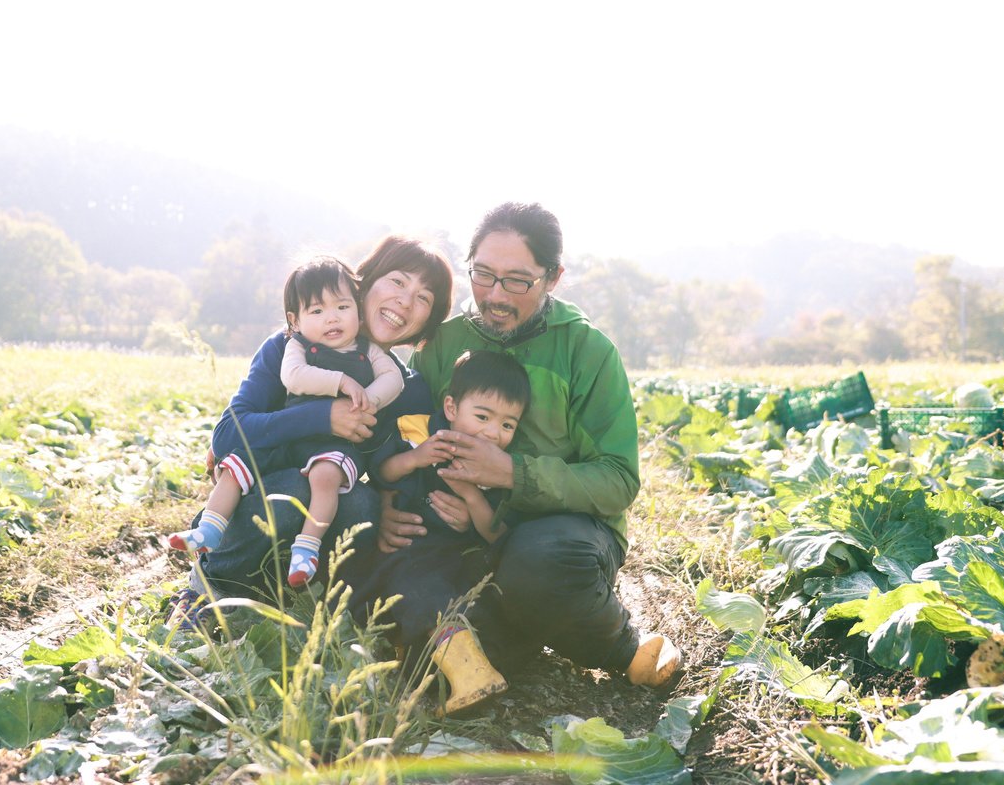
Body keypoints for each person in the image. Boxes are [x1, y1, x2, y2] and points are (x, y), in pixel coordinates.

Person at [380, 201, 681, 701]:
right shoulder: (441, 342)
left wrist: (512, 473)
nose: (495, 296)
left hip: (563, 534)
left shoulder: (588, 352)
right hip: (459, 538)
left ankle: (622, 645)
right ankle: (523, 620)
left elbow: (618, 480)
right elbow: (397, 426)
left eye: (517, 281)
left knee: (537, 562)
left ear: (553, 277)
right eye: (483, 275)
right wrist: (391, 502)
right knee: (436, 655)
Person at [166, 236, 455, 628]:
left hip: (323, 511)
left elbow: (398, 463)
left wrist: (391, 501)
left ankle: (293, 600)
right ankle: (211, 587)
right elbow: (227, 437)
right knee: (295, 492)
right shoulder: (291, 347)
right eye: (399, 282)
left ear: (429, 320)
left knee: (361, 505)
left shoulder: (407, 388)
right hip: (262, 496)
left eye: (424, 297)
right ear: (364, 281)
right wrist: (323, 417)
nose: (406, 301)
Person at [167, 256, 406, 588]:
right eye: (317, 311)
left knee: (350, 497)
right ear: (295, 321)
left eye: (342, 307)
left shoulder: (369, 351)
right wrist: (336, 393)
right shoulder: (292, 345)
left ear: (358, 308)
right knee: (240, 469)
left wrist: (368, 402)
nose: (332, 318)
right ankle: (210, 545)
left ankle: (305, 559)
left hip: (327, 453)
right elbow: (293, 378)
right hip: (282, 453)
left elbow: (393, 379)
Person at [361, 348, 531, 716]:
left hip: (457, 557)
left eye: (507, 425)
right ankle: (463, 673)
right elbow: (381, 473)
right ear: (452, 409)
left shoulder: (498, 466)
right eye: (482, 416)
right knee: (417, 590)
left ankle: (465, 670)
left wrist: (471, 497)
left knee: (474, 600)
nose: (493, 432)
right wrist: (416, 458)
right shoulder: (419, 430)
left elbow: (495, 534)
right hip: (408, 552)